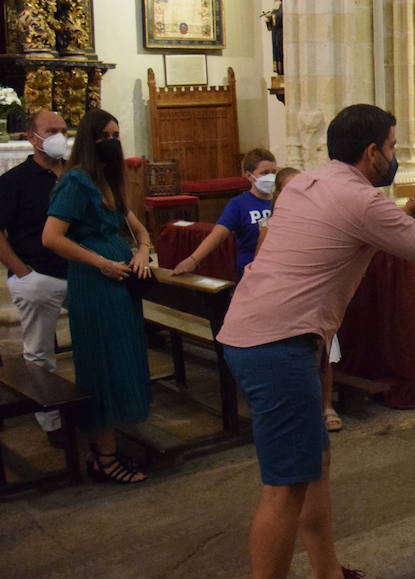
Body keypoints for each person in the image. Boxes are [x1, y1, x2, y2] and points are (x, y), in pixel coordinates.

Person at [218, 104, 415, 579]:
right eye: (392, 144)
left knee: (313, 467)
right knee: (284, 487)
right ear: (372, 153)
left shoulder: (308, 182)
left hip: (262, 335)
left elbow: (358, 227)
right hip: (276, 346)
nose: (396, 152)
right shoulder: (359, 198)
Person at [41, 109, 154, 484]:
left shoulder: (110, 181)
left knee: (121, 360)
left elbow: (139, 230)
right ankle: (104, 458)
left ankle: (108, 448)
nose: (113, 141)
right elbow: (52, 238)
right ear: (90, 141)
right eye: (105, 135)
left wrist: (140, 252)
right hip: (95, 284)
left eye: (116, 134)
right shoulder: (77, 181)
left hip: (120, 286)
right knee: (102, 367)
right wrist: (102, 263)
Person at [254, 166, 343, 433]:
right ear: (279, 194)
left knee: (323, 351)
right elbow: (261, 265)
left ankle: (326, 406)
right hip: (285, 298)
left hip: (315, 295)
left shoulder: (317, 221)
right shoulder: (269, 226)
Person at [0, 110, 69, 445]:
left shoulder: (73, 175)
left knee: (94, 341)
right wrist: (22, 272)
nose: (59, 136)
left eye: (63, 130)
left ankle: (88, 407)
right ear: (31, 137)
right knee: (40, 352)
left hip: (80, 273)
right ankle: (51, 420)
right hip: (38, 274)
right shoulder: (14, 181)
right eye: (51, 131)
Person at [172, 148, 277, 279]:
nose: (271, 177)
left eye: (274, 172)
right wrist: (193, 259)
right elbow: (218, 234)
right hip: (251, 269)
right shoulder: (239, 204)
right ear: (249, 175)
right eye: (265, 173)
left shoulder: (282, 199)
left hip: (278, 267)